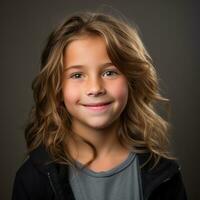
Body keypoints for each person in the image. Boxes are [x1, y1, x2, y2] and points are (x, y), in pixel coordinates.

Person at [12, 11, 187, 200]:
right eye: (77, 75)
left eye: (110, 72)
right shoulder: (33, 178)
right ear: (57, 88)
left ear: (131, 80)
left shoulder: (164, 174)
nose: (95, 89)